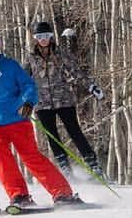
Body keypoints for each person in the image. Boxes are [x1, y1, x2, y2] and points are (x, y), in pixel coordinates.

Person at [0, 30, 83, 209]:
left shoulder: (10, 66)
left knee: (31, 156)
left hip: (17, 119)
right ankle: (19, 195)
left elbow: (28, 85)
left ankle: (62, 193)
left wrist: (28, 101)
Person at [24, 19, 106, 178]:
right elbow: (23, 79)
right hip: (42, 103)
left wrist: (91, 86)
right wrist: (16, 96)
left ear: (51, 37)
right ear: (35, 38)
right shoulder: (31, 58)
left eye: (46, 36)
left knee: (75, 131)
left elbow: (76, 72)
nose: (43, 39)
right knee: (52, 135)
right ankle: (65, 169)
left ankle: (93, 165)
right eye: (40, 36)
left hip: (64, 99)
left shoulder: (61, 54)